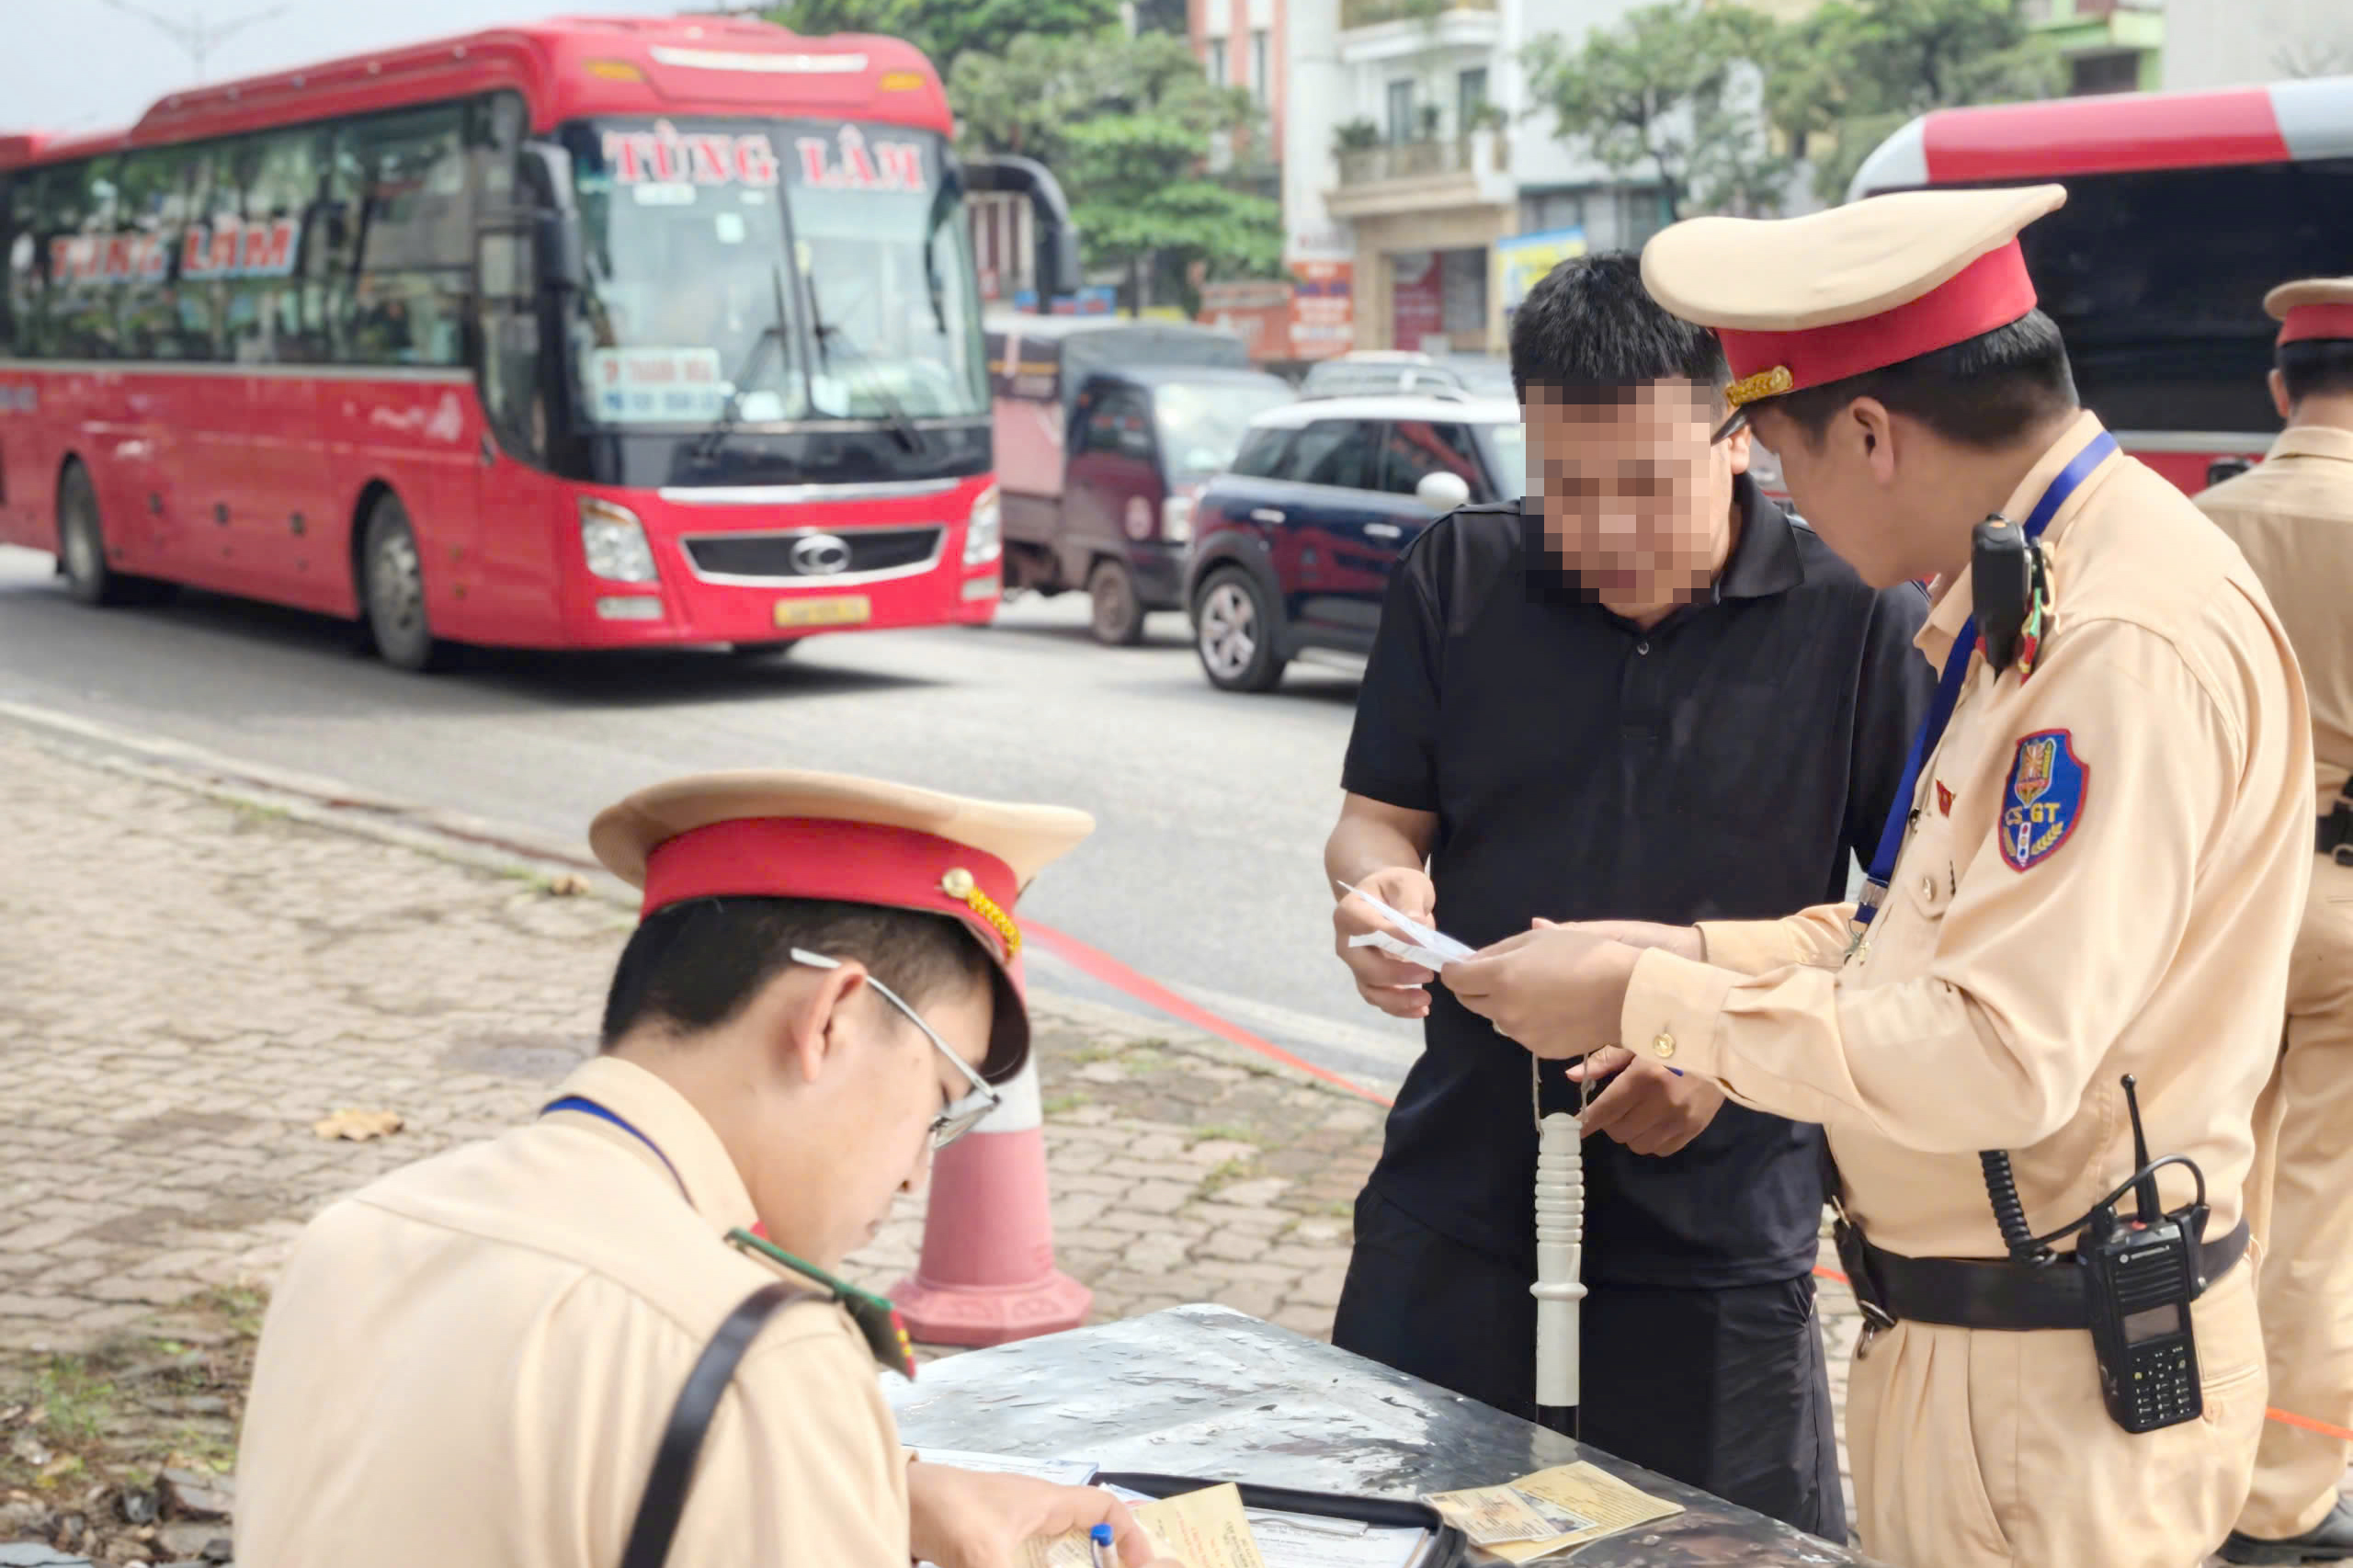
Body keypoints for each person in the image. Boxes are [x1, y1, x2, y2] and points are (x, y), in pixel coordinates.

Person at [1441, 186, 2313, 1568]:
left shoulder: (2113, 640)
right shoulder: (2041, 588)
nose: (1783, 503)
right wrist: (1670, 960)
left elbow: (1994, 1048)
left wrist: (1644, 995)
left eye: (1778, 464)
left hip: (2044, 1386)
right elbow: (1910, 935)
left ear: (1868, 431)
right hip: (1992, 1355)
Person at [1324, 251, 1933, 1540]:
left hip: (1720, 1224)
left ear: (1741, 440)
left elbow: (1910, 917)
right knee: (1410, 1527)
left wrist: (1721, 1042)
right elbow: (1379, 813)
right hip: (1464, 1186)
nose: (1602, 533)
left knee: (1713, 1543)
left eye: (1645, 487)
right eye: (1566, 488)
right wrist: (1376, 887)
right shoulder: (1460, 579)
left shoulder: (1855, 616)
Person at [235, 769, 1186, 1568]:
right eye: (938, 1102)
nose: (909, 1176)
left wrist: (874, 1486)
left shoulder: (362, 1230)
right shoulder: (757, 1359)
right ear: (831, 1019)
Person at [2200, 278, 2353, 1567]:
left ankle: (2191, 1450)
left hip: (2231, 898)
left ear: (2278, 388)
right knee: (2326, 1204)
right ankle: (2286, 1491)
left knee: (2211, 1181)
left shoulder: (2203, 524)